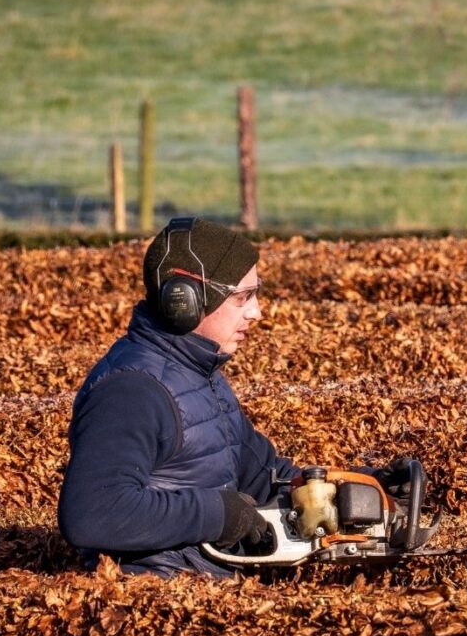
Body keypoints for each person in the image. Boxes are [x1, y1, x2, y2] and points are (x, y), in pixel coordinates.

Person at [58, 216, 298, 577]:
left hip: (208, 579)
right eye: (242, 297)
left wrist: (361, 487)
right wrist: (217, 514)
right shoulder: (132, 390)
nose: (257, 311)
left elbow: (263, 477)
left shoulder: (200, 374)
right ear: (182, 300)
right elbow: (92, 512)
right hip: (157, 590)